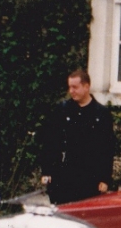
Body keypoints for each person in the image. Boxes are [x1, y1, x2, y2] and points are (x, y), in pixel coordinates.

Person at [38, 69, 115, 204]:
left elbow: (107, 149)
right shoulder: (62, 110)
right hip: (63, 176)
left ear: (86, 87)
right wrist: (47, 171)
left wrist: (105, 179)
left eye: (75, 87)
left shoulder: (101, 114)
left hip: (90, 178)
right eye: (70, 87)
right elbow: (50, 142)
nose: (71, 91)